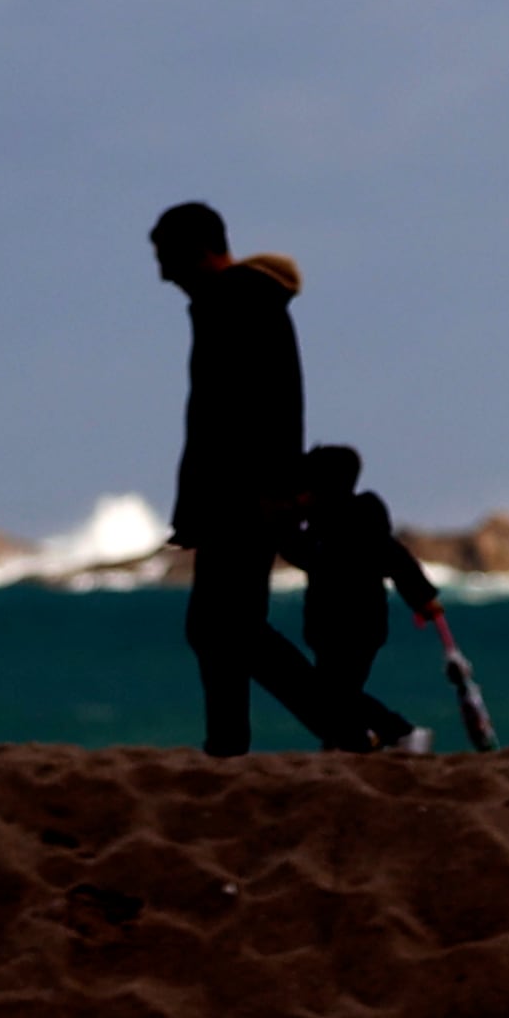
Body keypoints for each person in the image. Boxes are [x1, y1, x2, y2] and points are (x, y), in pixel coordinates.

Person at [149, 199, 361, 755]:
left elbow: (242, 417)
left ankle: (360, 728)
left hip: (244, 498)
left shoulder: (236, 303)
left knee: (230, 628)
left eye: (165, 257)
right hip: (241, 496)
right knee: (221, 628)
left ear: (196, 252)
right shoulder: (240, 302)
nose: (161, 273)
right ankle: (231, 745)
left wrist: (270, 495)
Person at [286, 443, 447, 755]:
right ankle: (349, 740)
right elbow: (397, 560)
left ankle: (402, 732)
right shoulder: (331, 523)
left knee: (336, 691)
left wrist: (423, 598)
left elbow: (395, 559)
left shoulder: (347, 523)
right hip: (336, 626)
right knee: (336, 690)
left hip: (356, 625)